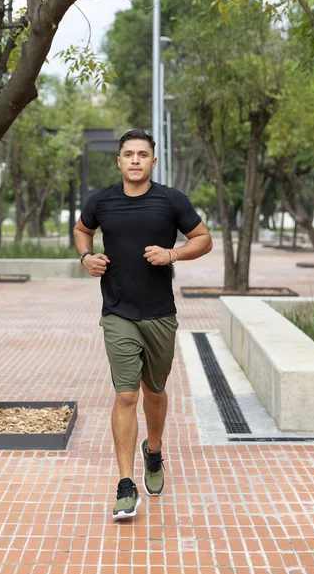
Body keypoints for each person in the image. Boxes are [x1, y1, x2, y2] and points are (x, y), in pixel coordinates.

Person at [73, 129, 213, 520]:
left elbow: (203, 238)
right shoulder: (100, 201)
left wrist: (173, 254)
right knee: (126, 396)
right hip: (117, 312)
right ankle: (124, 483)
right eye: (128, 154)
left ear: (153, 161)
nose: (135, 160)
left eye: (142, 154)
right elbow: (82, 230)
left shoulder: (171, 200)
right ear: (118, 161)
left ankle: (153, 451)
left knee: (154, 391)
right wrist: (86, 258)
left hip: (159, 314)